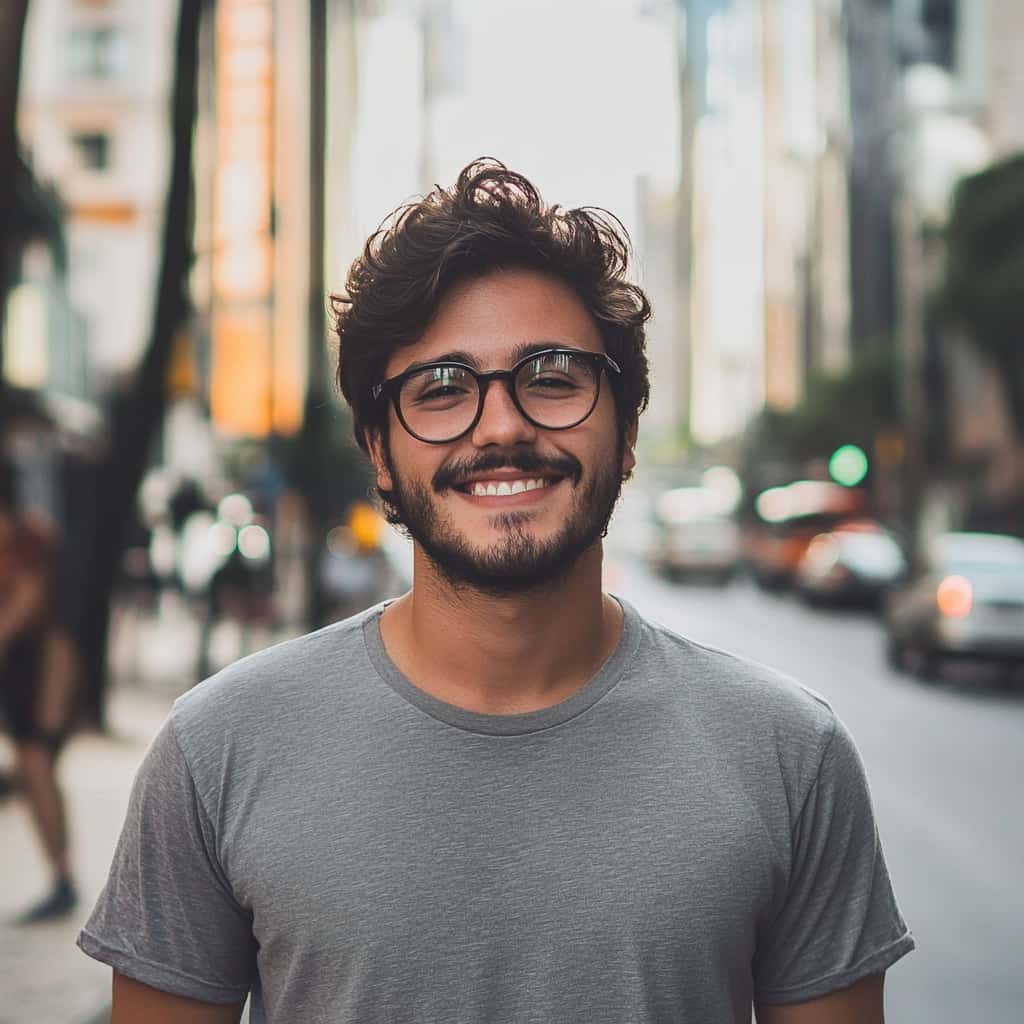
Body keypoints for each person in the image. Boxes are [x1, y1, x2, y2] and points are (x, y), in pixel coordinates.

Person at [79, 160, 914, 1023]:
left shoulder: (790, 756)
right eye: (441, 389)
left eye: (552, 377)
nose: (503, 425)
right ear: (378, 449)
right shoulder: (216, 752)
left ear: (626, 430)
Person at [0, 458, 80, 923]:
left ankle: (63, 877)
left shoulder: (29, 537)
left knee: (36, 765)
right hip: (22, 673)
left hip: (46, 669)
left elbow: (24, 610)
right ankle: (61, 876)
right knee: (32, 770)